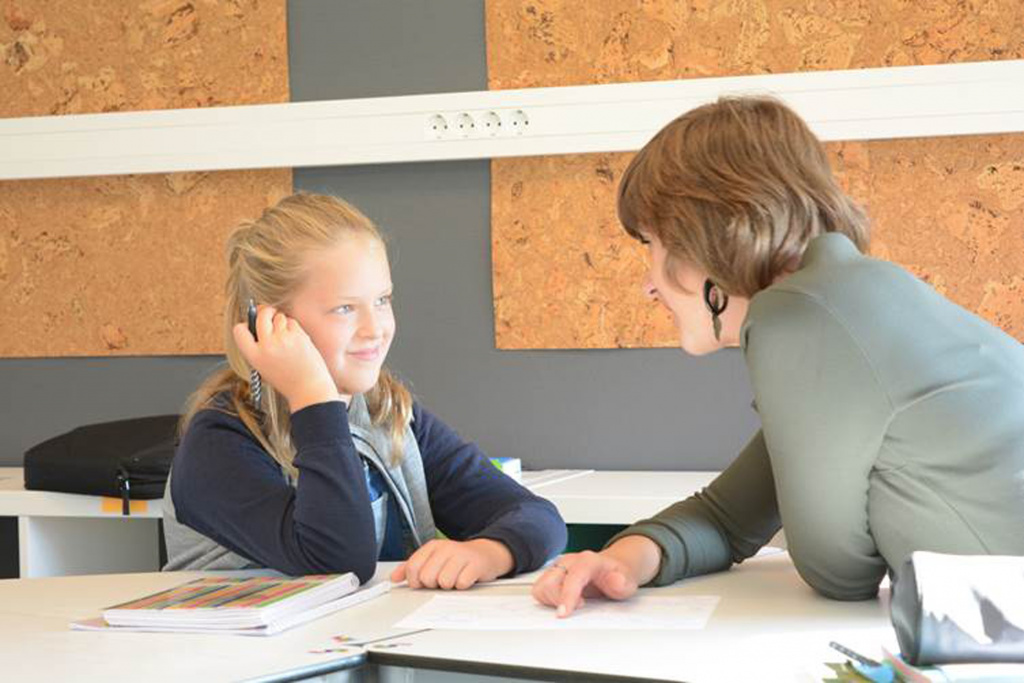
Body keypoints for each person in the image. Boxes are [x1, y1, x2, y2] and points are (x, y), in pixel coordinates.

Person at [533, 96, 1024, 616]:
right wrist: (623, 562)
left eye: (651, 243)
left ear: (700, 232)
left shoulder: (801, 318)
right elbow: (726, 517)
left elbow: (837, 571)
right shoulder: (844, 304)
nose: (648, 287)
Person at [163, 192, 566, 587]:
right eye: (344, 308)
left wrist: (489, 552)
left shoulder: (388, 415)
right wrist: (313, 398)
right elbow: (336, 559)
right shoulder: (217, 444)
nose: (375, 329)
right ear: (267, 322)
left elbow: (536, 516)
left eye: (382, 300)